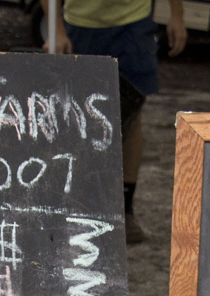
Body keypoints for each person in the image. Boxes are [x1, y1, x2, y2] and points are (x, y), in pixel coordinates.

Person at [42, 0, 186, 243]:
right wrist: (57, 30)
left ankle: (125, 208)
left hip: (133, 25)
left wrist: (177, 16)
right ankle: (72, 206)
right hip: (81, 25)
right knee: (73, 117)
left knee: (132, 115)